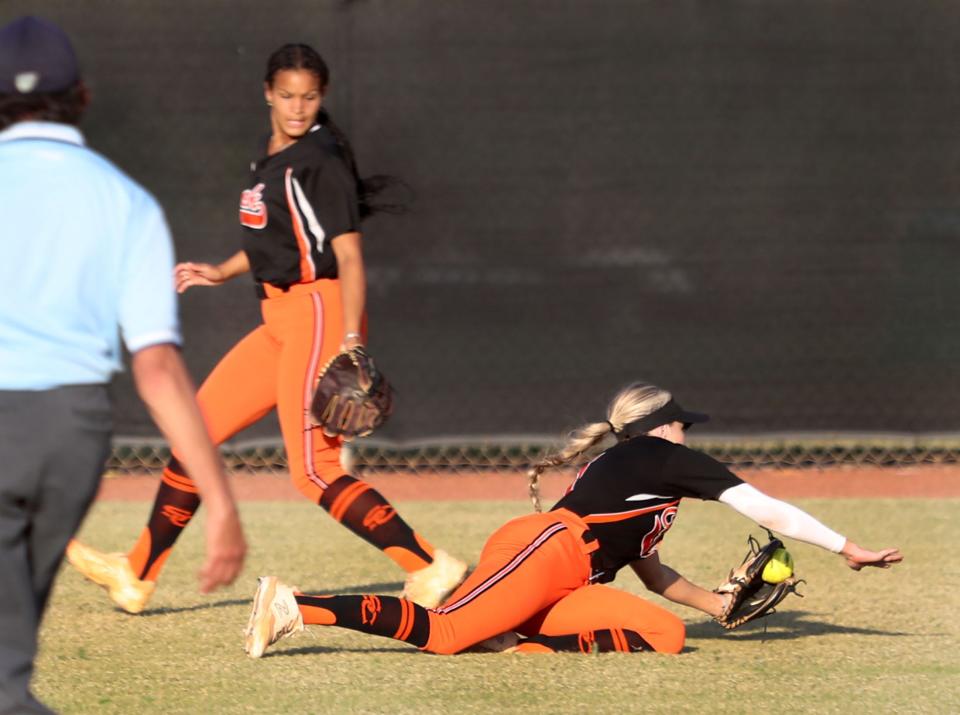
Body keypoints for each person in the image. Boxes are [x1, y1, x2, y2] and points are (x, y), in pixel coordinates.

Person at [67, 42, 466, 615]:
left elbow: (349, 258)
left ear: (321, 97)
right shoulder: (271, 155)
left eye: (308, 97)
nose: (297, 107)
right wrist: (221, 270)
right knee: (194, 433)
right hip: (280, 317)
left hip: (319, 311)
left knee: (313, 471)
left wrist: (351, 339)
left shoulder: (318, 159)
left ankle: (428, 565)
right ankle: (137, 574)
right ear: (267, 94)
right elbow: (272, 242)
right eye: (287, 95)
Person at [241, 381, 902, 658]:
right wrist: (845, 545)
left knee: (667, 636)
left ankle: (511, 635)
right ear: (654, 428)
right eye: (679, 421)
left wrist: (718, 602)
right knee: (444, 633)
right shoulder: (656, 454)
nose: (685, 431)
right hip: (548, 551)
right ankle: (297, 605)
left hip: (567, 571)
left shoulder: (646, 475)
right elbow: (762, 506)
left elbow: (651, 572)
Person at [0, 16, 246, 713]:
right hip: (69, 436)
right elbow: (158, 368)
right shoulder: (124, 200)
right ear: (80, 95)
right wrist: (220, 499)